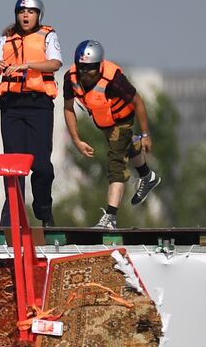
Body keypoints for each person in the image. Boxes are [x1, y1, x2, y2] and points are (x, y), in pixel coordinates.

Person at [63, 40, 160, 229]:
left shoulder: (114, 80)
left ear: (99, 65)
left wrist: (146, 134)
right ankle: (147, 176)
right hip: (104, 122)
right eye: (82, 67)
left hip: (121, 120)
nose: (86, 73)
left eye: (91, 68)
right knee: (125, 146)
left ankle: (110, 217)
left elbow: (138, 102)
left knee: (116, 163)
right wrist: (76, 140)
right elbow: (68, 108)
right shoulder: (71, 78)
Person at [0, 0, 62, 228]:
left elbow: (55, 63)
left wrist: (28, 65)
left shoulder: (48, 36)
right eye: (22, 12)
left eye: (31, 12)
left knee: (41, 164)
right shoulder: (6, 38)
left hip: (38, 103)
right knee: (13, 163)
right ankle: (11, 215)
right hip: (11, 104)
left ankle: (43, 209)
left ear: (39, 15)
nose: (26, 16)